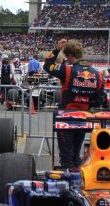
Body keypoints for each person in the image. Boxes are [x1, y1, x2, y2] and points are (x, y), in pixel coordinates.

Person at [43, 39, 105, 169]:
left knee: (66, 157)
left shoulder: (67, 70)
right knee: (76, 154)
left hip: (66, 118)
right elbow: (100, 99)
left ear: (70, 55)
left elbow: (47, 65)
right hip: (84, 118)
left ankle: (68, 183)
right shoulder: (98, 75)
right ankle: (78, 183)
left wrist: (56, 49)